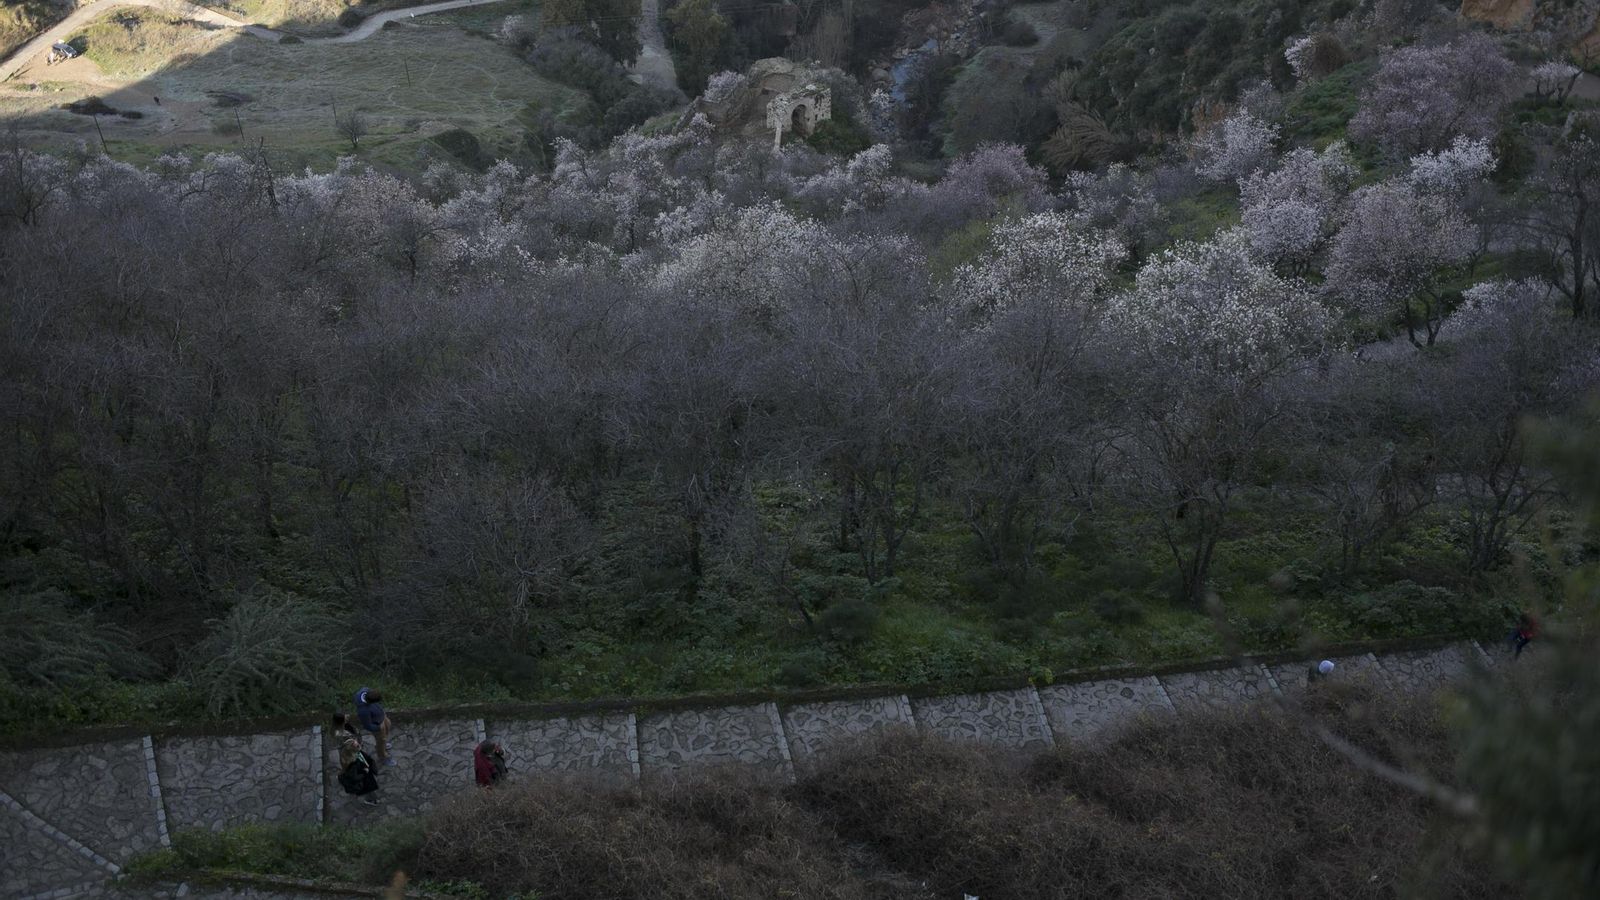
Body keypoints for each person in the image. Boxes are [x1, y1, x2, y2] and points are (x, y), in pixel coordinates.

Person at [355, 687, 395, 765]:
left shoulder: (365, 690)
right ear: (371, 702)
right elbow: (367, 726)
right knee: (381, 741)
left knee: (387, 730)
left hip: (382, 717)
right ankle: (383, 757)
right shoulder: (363, 711)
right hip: (378, 725)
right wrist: (378, 727)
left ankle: (384, 745)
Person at [337, 737, 381, 805]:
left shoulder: (358, 753)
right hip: (363, 779)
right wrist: (364, 772)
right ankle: (370, 800)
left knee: (370, 789)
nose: (360, 745)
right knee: (369, 791)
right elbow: (354, 777)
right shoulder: (352, 764)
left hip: (366, 775)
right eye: (357, 745)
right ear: (353, 750)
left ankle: (372, 799)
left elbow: (366, 759)